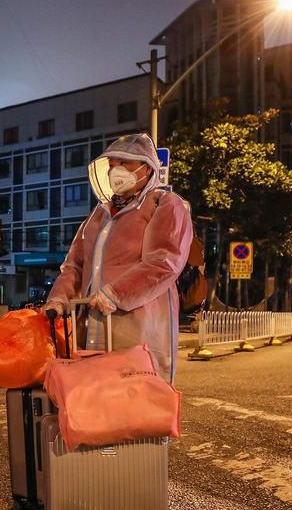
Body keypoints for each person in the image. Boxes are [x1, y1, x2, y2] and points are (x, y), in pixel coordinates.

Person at [44, 133, 193, 381]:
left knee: (135, 405)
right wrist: (58, 299)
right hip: (89, 331)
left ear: (147, 167)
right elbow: (74, 267)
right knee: (95, 406)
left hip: (138, 330)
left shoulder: (165, 204)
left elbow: (164, 261)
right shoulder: (98, 216)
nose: (116, 170)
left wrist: (115, 294)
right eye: (112, 164)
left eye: (124, 162)